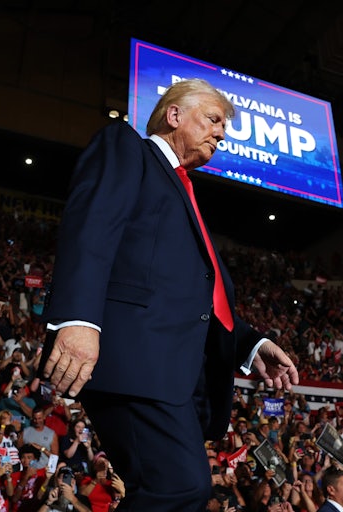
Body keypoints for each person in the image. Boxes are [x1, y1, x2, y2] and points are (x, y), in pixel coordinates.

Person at [41, 78, 299, 510]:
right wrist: (78, 319)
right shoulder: (127, 149)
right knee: (178, 489)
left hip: (173, 374)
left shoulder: (185, 193)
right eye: (214, 120)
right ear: (175, 115)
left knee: (178, 491)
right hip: (135, 360)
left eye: (223, 127)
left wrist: (250, 344)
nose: (221, 133)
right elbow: (92, 226)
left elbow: (197, 294)